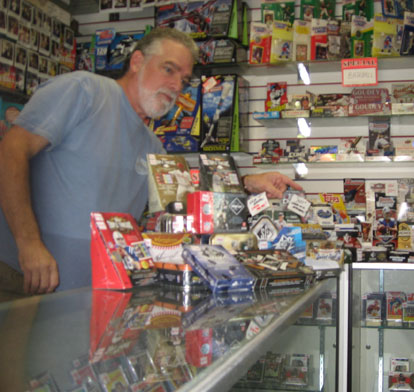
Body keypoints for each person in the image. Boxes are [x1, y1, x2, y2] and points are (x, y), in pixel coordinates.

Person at [0, 27, 303, 298]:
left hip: (87, 294)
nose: (176, 85)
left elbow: (186, 201)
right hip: (23, 277)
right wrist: (28, 245)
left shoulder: (151, 144)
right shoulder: (84, 91)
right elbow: (10, 153)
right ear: (136, 62)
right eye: (168, 70)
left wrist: (249, 183)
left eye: (183, 79)